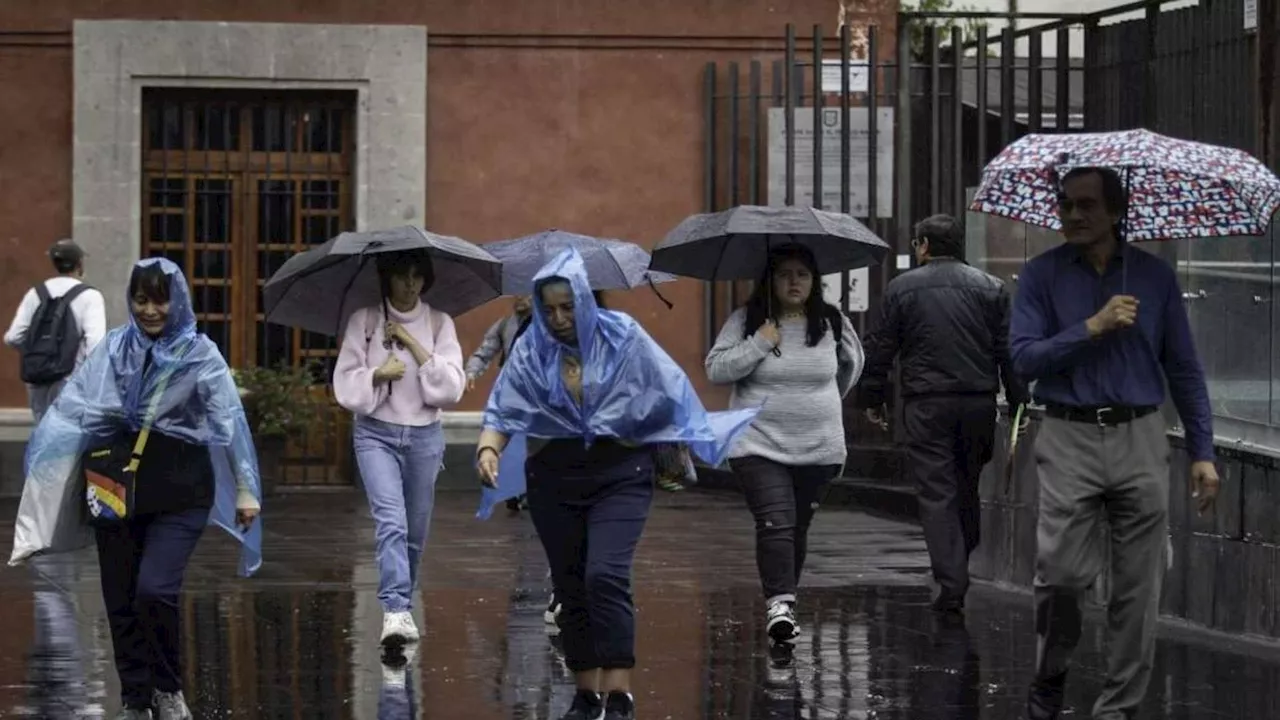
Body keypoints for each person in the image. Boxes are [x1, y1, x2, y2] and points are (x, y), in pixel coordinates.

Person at [475, 248, 756, 720]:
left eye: (568, 306)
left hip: (620, 472)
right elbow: (505, 409)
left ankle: (619, 693)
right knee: (571, 586)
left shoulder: (622, 335)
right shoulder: (531, 348)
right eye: (549, 309)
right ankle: (586, 695)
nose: (559, 317)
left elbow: (667, 388)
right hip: (553, 478)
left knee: (604, 574)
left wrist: (674, 432)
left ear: (585, 301)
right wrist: (488, 448)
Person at [10, 257, 263, 720]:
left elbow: (229, 422)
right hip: (114, 488)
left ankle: (168, 688)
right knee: (120, 600)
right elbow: (75, 409)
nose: (150, 310)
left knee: (154, 590)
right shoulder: (113, 349)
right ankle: (135, 700)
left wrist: (247, 488)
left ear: (178, 300)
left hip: (181, 492)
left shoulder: (199, 354)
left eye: (160, 299)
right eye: (141, 299)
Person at [1011, 166, 1218, 720]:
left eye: (1087, 206)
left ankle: (1118, 709)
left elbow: (1185, 368)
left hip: (1141, 435)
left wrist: (1203, 451)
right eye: (1066, 205)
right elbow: (1024, 357)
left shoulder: (1153, 277)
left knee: (1139, 587)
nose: (1074, 216)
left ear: (1117, 211)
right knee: (1060, 576)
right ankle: (1051, 670)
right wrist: (1092, 327)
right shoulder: (1040, 275)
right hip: (1067, 434)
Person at [859, 214, 1028, 616]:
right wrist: (1019, 399)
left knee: (937, 492)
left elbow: (881, 349)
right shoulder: (991, 288)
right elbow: (1008, 350)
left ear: (922, 246)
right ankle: (959, 561)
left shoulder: (902, 289)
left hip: (927, 403)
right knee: (966, 483)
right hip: (978, 403)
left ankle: (952, 580)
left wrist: (873, 396)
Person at [704, 244, 864, 644]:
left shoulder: (832, 321)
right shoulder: (747, 320)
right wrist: (759, 343)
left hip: (819, 447)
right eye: (785, 274)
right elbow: (716, 369)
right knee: (776, 521)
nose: (794, 282)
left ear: (814, 281)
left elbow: (850, 368)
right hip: (758, 444)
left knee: (797, 527)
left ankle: (783, 600)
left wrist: (823, 405)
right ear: (770, 281)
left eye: (802, 275)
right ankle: (781, 604)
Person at [333, 250, 466, 652]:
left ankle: (404, 604)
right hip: (376, 434)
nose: (409, 286)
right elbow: (345, 382)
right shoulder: (366, 321)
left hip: (425, 436)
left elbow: (451, 388)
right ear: (386, 279)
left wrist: (411, 342)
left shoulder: (440, 323)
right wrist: (378, 373)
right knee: (390, 521)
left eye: (416, 277)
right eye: (401, 277)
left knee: (415, 530)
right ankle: (393, 609)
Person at [4, 238, 107, 422]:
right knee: (67, 437)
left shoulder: (36, 293)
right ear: (80, 264)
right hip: (71, 379)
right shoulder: (90, 296)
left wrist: (39, 350)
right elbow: (96, 345)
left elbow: (12, 337)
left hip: (38, 378)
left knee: (42, 433)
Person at [465, 294, 532, 391]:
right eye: (517, 293)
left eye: (525, 293)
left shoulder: (548, 326)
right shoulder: (504, 325)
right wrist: (471, 372)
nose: (520, 297)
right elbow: (483, 354)